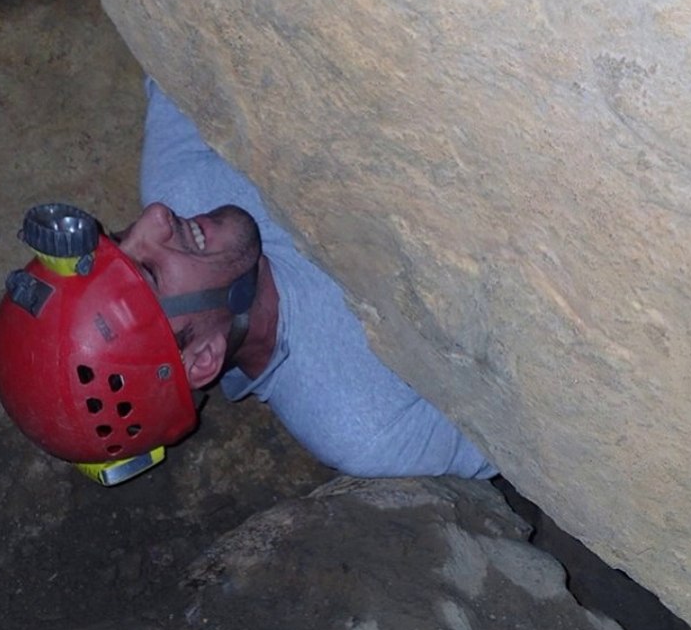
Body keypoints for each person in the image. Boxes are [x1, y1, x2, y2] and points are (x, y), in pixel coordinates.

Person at [114, 77, 498, 480]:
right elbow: (531, 430)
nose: (155, 217)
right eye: (150, 271)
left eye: (122, 238)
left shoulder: (181, 185)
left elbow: (180, 26)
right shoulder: (363, 423)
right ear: (204, 356)